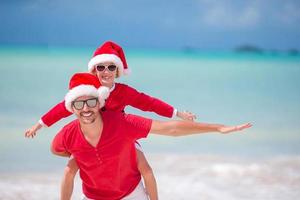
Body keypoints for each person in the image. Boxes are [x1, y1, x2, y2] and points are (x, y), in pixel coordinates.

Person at [25, 41, 196, 200]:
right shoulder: (86, 92)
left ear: (117, 71)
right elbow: (61, 109)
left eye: (111, 67)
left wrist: (178, 113)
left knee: (145, 168)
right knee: (69, 170)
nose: (106, 71)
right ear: (94, 70)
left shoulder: (124, 91)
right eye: (101, 67)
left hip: (121, 136)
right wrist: (38, 125)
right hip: (92, 140)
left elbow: (149, 103)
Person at [50, 72, 251, 200]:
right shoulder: (68, 135)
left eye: (91, 102)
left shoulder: (123, 123)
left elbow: (170, 129)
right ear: (72, 108)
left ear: (100, 103)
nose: (86, 108)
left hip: (131, 194)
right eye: (79, 104)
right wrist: (80, 157)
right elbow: (59, 154)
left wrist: (217, 128)